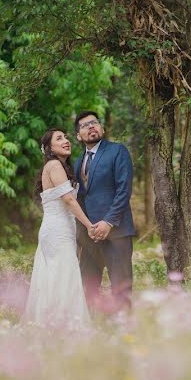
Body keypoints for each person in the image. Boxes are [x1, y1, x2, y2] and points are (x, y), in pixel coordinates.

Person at [22, 128, 93, 329]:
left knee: (59, 275)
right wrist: (89, 225)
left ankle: (55, 324)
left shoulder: (60, 167)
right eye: (59, 138)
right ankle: (64, 327)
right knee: (63, 275)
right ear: (49, 148)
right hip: (57, 230)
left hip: (62, 228)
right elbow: (69, 199)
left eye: (66, 137)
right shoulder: (54, 165)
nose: (66, 140)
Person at [73, 111, 136, 312]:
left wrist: (108, 222)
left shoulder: (117, 151)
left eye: (94, 123)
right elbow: (79, 198)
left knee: (121, 285)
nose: (91, 126)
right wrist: (86, 229)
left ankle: (124, 327)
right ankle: (96, 327)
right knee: (88, 285)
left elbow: (123, 190)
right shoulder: (77, 162)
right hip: (89, 235)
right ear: (78, 136)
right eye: (85, 125)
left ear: (102, 128)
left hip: (116, 232)